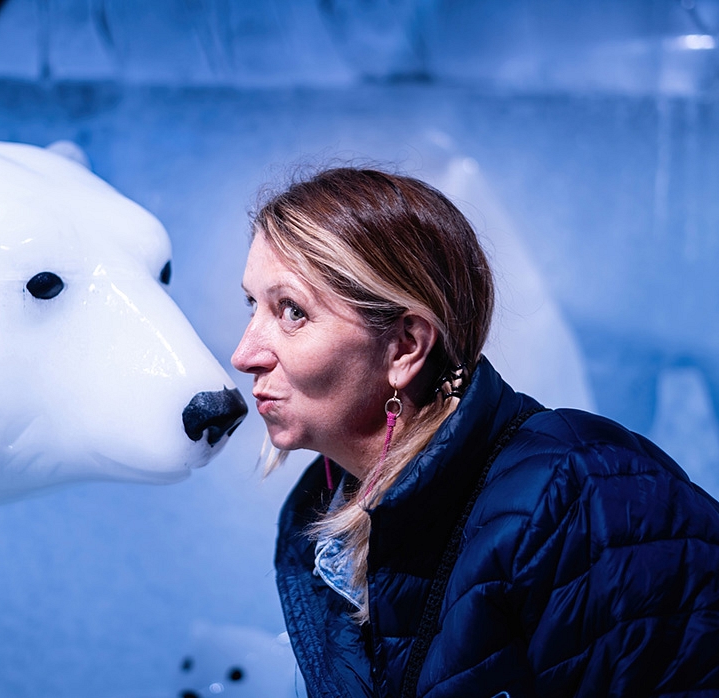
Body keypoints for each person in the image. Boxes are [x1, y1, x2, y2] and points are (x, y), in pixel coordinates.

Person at [230, 166, 719, 697]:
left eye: (293, 312)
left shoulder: (584, 498)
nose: (244, 354)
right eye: (252, 305)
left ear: (405, 347)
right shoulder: (319, 522)